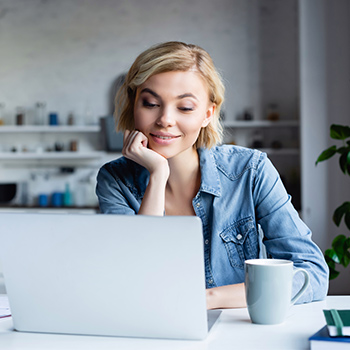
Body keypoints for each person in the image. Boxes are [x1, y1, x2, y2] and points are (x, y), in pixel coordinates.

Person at [96, 41, 329, 309]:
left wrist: (205, 299)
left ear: (208, 113)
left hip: (236, 332)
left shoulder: (250, 170)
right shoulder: (114, 180)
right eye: (150, 103)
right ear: (133, 105)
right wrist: (158, 175)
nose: (165, 119)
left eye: (184, 107)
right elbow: (134, 278)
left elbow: (311, 274)